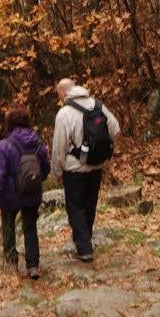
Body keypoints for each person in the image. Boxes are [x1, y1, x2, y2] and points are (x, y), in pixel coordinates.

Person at [51, 78, 120, 263]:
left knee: (75, 208)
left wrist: (57, 171)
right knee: (90, 206)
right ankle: (85, 240)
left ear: (63, 93)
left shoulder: (64, 114)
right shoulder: (97, 105)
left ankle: (84, 248)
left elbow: (59, 146)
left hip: (74, 169)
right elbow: (115, 128)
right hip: (96, 165)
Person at [0, 107, 50, 279]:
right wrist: (35, 180)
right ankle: (33, 265)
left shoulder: (5, 145)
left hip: (10, 194)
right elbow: (46, 167)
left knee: (8, 225)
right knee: (30, 228)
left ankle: (11, 261)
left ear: (9, 123)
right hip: (32, 192)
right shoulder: (38, 141)